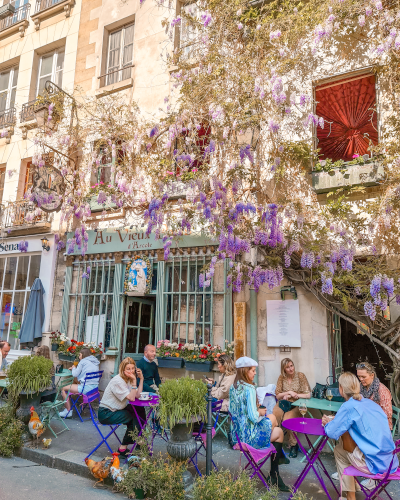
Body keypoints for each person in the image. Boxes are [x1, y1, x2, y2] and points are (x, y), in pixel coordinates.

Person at [323, 372, 398, 500]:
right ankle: (354, 488)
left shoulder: (348, 406)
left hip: (374, 464)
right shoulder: (369, 403)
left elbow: (331, 432)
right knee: (344, 447)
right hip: (390, 461)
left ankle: (350, 496)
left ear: (341, 389)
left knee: (340, 450)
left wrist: (327, 423)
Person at [229, 356, 290, 492]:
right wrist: (260, 412)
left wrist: (257, 411)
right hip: (250, 438)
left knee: (278, 432)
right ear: (245, 371)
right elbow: (253, 417)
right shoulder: (249, 388)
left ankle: (275, 473)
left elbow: (234, 411)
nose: (255, 373)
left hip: (236, 436)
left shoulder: (233, 388)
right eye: (253, 371)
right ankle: (275, 472)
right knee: (273, 418)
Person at [98, 357, 144, 458]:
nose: (131, 371)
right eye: (128, 369)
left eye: (133, 368)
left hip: (117, 409)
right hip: (106, 413)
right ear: (123, 369)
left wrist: (141, 379)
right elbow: (132, 398)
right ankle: (124, 448)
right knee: (133, 417)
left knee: (139, 410)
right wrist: (134, 381)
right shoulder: (118, 381)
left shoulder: (128, 379)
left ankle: (139, 439)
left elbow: (137, 396)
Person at [272, 358, 311, 457]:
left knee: (288, 419)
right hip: (284, 403)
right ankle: (276, 443)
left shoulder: (300, 376)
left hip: (297, 404)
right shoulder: (282, 377)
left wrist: (294, 395)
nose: (290, 369)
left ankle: (293, 445)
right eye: (287, 367)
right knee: (275, 414)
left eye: (291, 366)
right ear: (283, 369)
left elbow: (308, 395)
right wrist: (288, 393)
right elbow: (277, 395)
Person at [59, 348, 100, 418]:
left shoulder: (83, 361)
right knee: (75, 382)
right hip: (94, 388)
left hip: (86, 389)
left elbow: (75, 374)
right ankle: (77, 405)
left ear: (83, 355)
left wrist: (74, 367)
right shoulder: (95, 362)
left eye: (80, 355)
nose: (79, 356)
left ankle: (68, 411)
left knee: (63, 388)